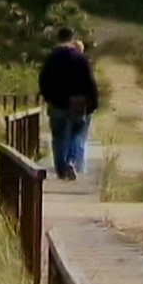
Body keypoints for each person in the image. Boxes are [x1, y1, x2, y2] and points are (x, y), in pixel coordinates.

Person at [36, 29, 100, 182]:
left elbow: (43, 80)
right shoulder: (80, 58)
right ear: (72, 39)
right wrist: (93, 102)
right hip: (77, 103)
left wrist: (48, 97)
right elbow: (89, 82)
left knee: (58, 137)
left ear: (58, 38)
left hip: (57, 103)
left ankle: (61, 169)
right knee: (77, 133)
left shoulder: (51, 58)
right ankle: (72, 161)